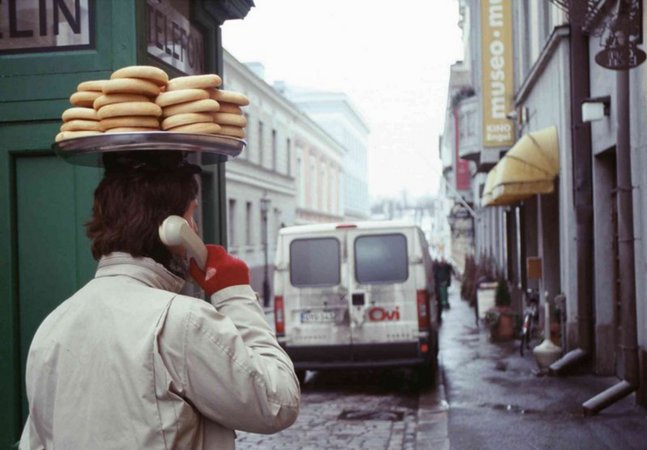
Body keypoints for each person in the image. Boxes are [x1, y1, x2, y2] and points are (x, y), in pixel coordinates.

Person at [19, 152, 300, 449]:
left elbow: (35, 443)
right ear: (173, 230)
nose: (196, 229)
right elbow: (278, 403)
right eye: (191, 216)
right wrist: (235, 294)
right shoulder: (182, 321)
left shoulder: (52, 327)